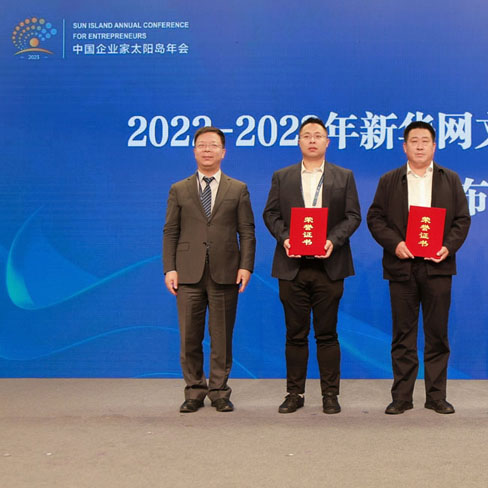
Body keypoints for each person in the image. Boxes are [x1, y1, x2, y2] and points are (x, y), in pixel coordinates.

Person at [366, 121, 471, 415]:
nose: (420, 146)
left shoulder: (450, 179)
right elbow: (375, 218)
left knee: (437, 334)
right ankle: (402, 396)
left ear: (434, 146)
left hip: (438, 267)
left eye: (425, 141)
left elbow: (462, 219)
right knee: (403, 335)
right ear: (405, 147)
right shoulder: (389, 180)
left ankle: (436, 396)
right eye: (414, 141)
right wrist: (395, 244)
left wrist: (448, 246)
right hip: (402, 267)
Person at [263, 117, 361, 415]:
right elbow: (270, 214)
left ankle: (330, 394)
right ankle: (295, 393)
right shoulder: (283, 176)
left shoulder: (343, 176)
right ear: (299, 142)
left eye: (318, 135)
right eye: (306, 135)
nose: (312, 140)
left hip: (329, 265)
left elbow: (353, 216)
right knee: (295, 334)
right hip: (292, 265)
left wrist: (333, 240)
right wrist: (285, 239)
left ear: (327, 142)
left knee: (327, 333)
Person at [163, 126, 256, 413]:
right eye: (202, 145)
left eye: (213, 145)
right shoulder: (179, 189)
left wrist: (246, 266)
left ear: (223, 152)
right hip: (188, 273)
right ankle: (194, 390)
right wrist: (170, 268)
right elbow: (171, 231)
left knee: (222, 336)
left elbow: (247, 231)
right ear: (194, 151)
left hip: (226, 271)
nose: (207, 150)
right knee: (189, 336)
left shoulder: (237, 188)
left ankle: (219, 391)